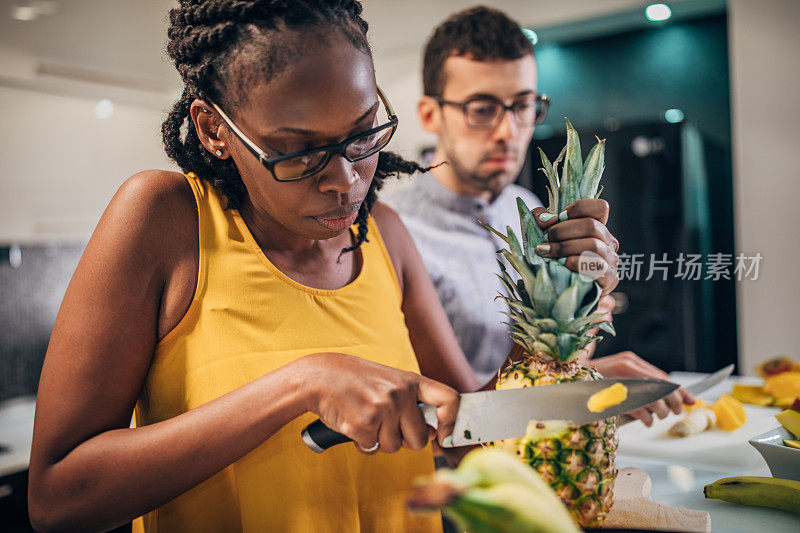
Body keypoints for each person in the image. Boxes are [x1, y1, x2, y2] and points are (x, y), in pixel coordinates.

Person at [27, 2, 621, 532]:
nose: (345, 181)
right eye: (299, 150)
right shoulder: (165, 218)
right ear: (214, 129)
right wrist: (300, 382)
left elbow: (468, 434)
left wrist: (564, 308)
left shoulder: (384, 234)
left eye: (364, 135)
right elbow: (57, 498)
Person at [381, 6, 693, 425]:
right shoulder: (394, 233)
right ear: (429, 114)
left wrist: (590, 300)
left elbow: (564, 358)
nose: (509, 131)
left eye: (523, 105)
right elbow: (448, 422)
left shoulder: (529, 207)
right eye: (481, 108)